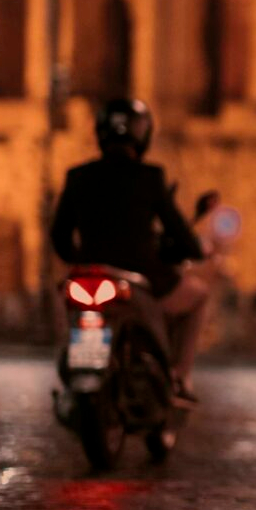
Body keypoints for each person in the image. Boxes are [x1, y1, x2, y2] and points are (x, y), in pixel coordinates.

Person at [49, 98, 208, 402]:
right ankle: (179, 375)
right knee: (199, 296)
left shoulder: (77, 176)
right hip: (141, 278)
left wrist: (80, 258)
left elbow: (59, 235)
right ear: (143, 135)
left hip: (88, 276)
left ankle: (74, 369)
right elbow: (180, 233)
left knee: (67, 310)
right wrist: (192, 249)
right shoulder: (150, 177)